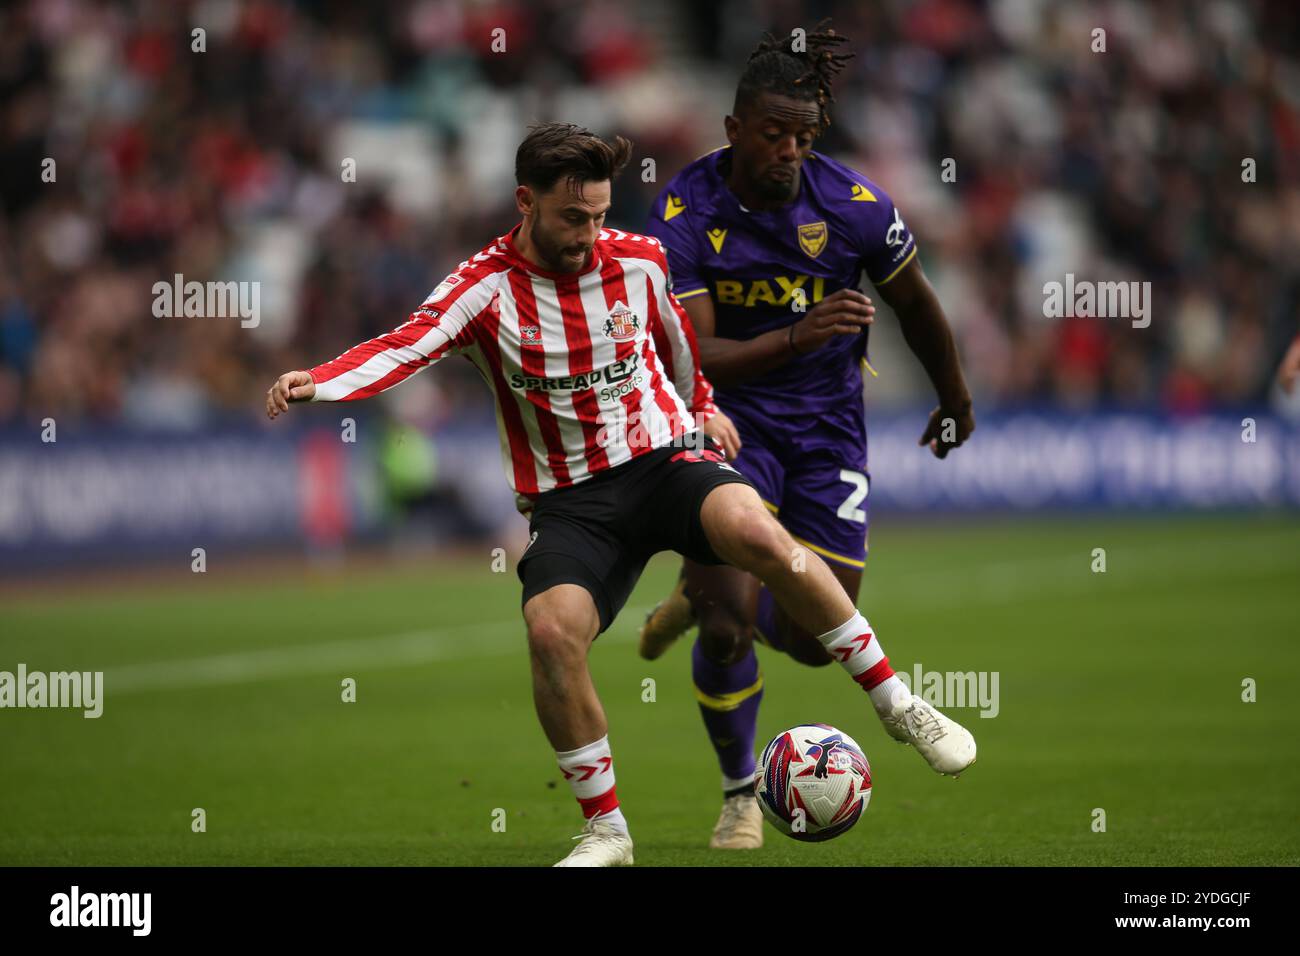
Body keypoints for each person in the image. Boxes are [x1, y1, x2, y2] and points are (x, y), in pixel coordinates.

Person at [265, 122, 975, 867]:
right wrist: (321, 382)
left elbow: (679, 346)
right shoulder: (483, 288)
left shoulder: (637, 261)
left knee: (762, 535)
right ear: (525, 202)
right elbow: (404, 345)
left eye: (601, 215)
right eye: (574, 218)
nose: (590, 234)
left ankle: (900, 706)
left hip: (665, 464)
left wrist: (702, 405)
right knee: (551, 633)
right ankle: (607, 831)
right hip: (573, 502)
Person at [641, 26, 976, 849]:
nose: (789, 150)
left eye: (802, 135)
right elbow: (692, 353)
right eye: (772, 134)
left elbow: (918, 305)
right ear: (734, 129)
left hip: (828, 437)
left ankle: (707, 590)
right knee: (728, 624)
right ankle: (739, 794)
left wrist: (955, 397)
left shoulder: (855, 206)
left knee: (817, 642)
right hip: (725, 427)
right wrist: (799, 333)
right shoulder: (685, 211)